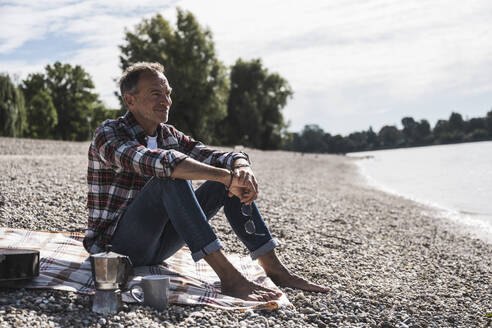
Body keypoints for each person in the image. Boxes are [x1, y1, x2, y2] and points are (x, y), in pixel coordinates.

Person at [84, 62, 329, 301]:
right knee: (170, 177)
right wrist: (225, 175)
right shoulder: (109, 133)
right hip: (116, 248)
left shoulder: (168, 134)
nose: (166, 101)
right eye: (155, 94)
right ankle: (229, 277)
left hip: (159, 248)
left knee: (222, 179)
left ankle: (274, 268)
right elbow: (161, 162)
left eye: (168, 94)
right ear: (130, 100)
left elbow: (216, 155)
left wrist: (240, 167)